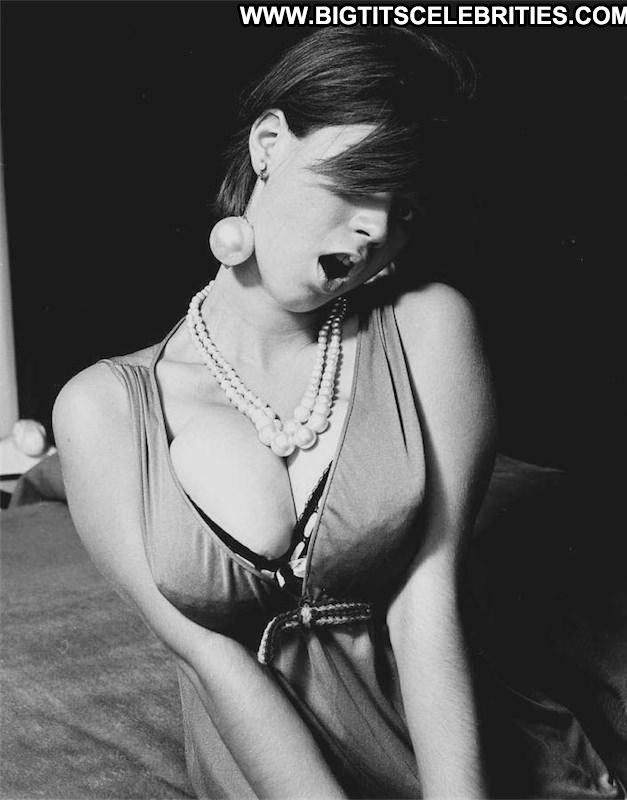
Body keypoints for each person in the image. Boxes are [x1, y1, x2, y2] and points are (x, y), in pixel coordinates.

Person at [53, 26, 495, 798]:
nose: (377, 230)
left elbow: (429, 602)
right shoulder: (102, 409)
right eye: (360, 182)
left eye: (407, 209)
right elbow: (209, 660)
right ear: (269, 146)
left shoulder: (427, 328)